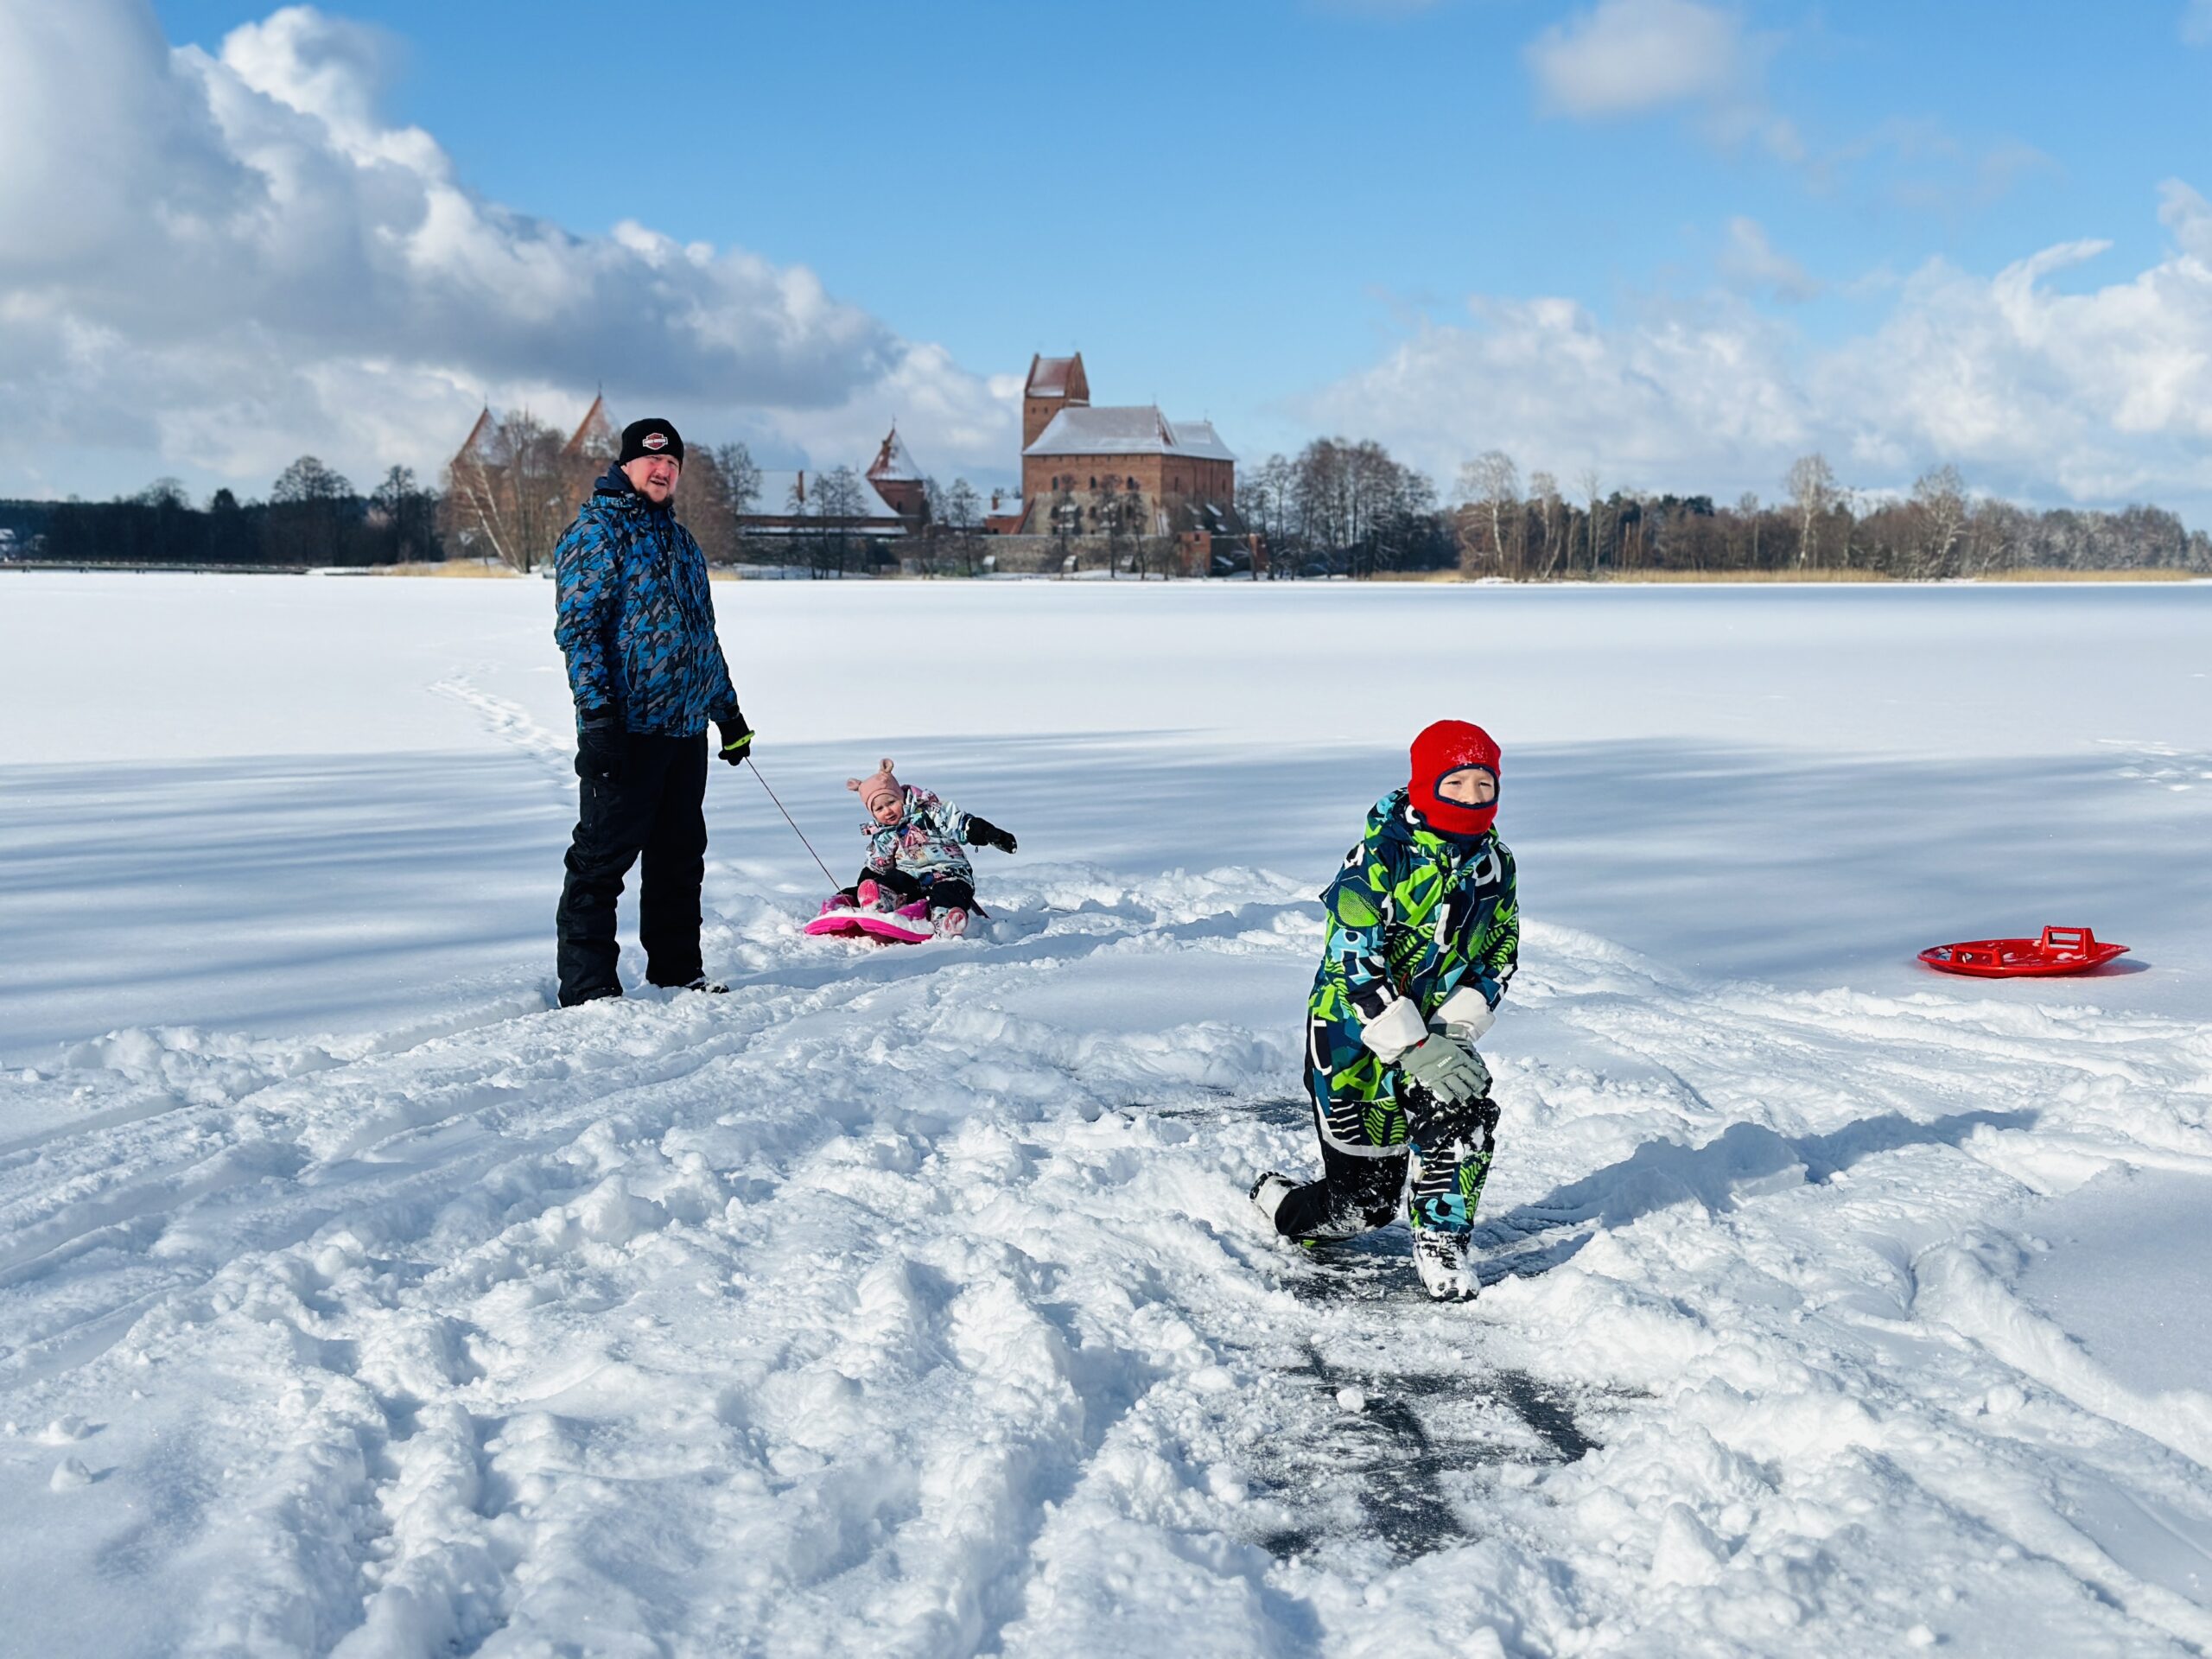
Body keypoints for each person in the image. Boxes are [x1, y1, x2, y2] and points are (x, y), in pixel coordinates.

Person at [1250, 720, 1519, 1301]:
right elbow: (1352, 963)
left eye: (1484, 785)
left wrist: (1451, 1033)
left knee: (1465, 1110)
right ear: (1426, 785)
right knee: (1362, 1208)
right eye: (1457, 785)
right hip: (1353, 1041)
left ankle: (1443, 1244)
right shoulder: (1378, 858)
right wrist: (1414, 1044)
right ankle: (1277, 1203)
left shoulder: (1495, 865)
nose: (1473, 798)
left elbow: (1499, 953)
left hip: (1442, 1032)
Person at [551, 417, 753, 1006]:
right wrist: (597, 719)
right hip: (627, 731)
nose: (662, 471)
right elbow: (580, 632)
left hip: (685, 731)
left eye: (672, 465)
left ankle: (676, 972)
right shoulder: (597, 533)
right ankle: (589, 988)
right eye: (651, 461)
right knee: (600, 864)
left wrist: (729, 716)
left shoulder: (683, 544)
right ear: (627, 466)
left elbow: (701, 639)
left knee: (678, 861)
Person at [826, 758, 1016, 938]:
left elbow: (957, 822)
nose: (888, 811)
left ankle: (948, 919)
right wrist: (865, 883)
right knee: (892, 880)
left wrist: (986, 832)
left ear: (901, 797)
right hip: (911, 876)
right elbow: (878, 864)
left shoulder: (929, 812)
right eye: (879, 809)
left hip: (949, 871)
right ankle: (878, 899)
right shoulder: (883, 833)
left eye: (891, 803)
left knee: (948, 891)